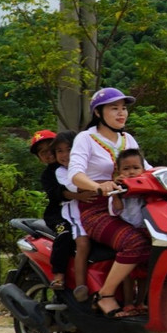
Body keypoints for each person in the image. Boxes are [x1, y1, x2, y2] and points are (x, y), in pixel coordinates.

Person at [68, 88, 151, 317]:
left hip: (130, 207)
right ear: (98, 112)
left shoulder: (127, 139)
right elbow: (74, 174)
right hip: (96, 210)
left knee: (161, 240)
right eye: (114, 108)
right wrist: (98, 186)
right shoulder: (86, 139)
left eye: (123, 108)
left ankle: (143, 299)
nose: (121, 113)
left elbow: (148, 169)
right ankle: (106, 295)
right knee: (134, 242)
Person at [48, 132, 93, 295]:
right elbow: (75, 186)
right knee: (83, 243)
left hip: (98, 211)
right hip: (75, 212)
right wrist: (97, 185)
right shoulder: (60, 171)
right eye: (59, 151)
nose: (65, 155)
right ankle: (81, 287)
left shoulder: (90, 165)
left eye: (69, 149)